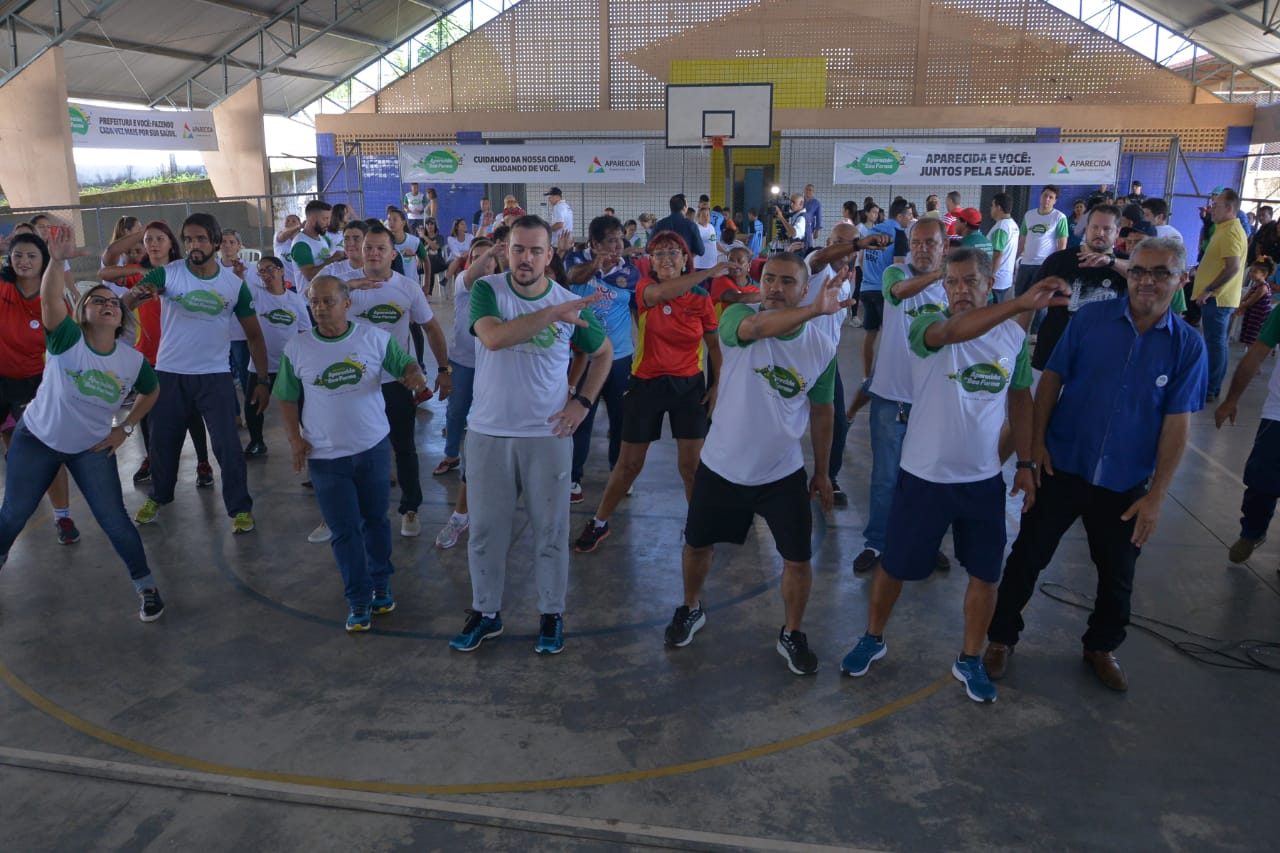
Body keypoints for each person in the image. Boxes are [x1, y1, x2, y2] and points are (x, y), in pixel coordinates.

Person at [984, 238, 1207, 691]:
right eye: (1140, 270)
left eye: (1160, 272)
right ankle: (1001, 639)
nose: (1147, 281)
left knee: (1117, 575)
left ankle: (1100, 647)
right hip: (1062, 465)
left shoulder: (1188, 347)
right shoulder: (1090, 321)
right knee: (1027, 557)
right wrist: (1037, 446)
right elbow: (1051, 381)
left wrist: (1156, 497)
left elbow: (1175, 426)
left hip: (1125, 483)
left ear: (1181, 280)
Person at [842, 248, 1062, 704]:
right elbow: (952, 331)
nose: (961, 290)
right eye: (953, 282)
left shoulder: (1013, 339)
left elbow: (1020, 399)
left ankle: (969, 657)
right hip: (923, 477)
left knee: (985, 574)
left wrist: (1023, 463)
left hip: (982, 481)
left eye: (970, 282)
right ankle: (873, 636)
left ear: (989, 284)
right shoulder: (927, 328)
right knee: (896, 567)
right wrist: (1021, 306)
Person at [665, 253, 846, 674]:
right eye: (769, 279)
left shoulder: (821, 345)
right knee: (696, 545)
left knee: (798, 558)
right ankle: (690, 606)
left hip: (781, 474)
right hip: (721, 465)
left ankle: (792, 631)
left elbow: (823, 412)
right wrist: (814, 310)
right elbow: (756, 328)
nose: (775, 288)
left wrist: (821, 471)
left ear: (805, 289)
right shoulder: (737, 317)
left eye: (787, 282)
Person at [449, 215, 613, 655]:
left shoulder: (567, 303)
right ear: (507, 250)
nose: (525, 258)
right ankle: (486, 613)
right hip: (488, 433)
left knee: (551, 532)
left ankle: (550, 614)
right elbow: (495, 338)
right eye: (518, 249)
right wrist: (553, 314)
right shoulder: (488, 291)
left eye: (535, 250)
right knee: (485, 532)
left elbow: (603, 354)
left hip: (547, 437)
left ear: (549, 255)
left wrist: (581, 402)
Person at [0, 226, 164, 622]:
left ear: (120, 313)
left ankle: (146, 587)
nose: (107, 303)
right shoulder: (66, 340)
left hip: (92, 447)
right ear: (83, 313)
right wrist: (56, 260)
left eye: (112, 301)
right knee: (13, 515)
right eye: (97, 300)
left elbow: (151, 391)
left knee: (114, 520)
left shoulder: (132, 362)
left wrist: (124, 428)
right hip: (37, 439)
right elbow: (50, 299)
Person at [274, 275, 426, 632]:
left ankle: (381, 583)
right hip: (326, 458)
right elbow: (286, 395)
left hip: (371, 449)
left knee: (375, 521)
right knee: (344, 530)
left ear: (346, 304)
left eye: (327, 301)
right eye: (314, 302)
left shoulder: (373, 338)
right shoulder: (298, 347)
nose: (320, 308)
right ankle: (357, 599)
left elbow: (406, 365)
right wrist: (295, 440)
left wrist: (414, 375)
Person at [573, 232, 726, 553]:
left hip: (689, 387)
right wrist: (711, 272)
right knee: (628, 465)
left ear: (686, 259)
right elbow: (661, 294)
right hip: (646, 384)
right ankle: (599, 522)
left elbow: (714, 347)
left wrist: (716, 386)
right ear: (650, 262)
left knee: (691, 467)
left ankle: (697, 524)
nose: (667, 259)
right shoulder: (645, 288)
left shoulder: (701, 298)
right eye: (659, 254)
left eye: (674, 252)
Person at [126, 213, 271, 534]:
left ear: (216, 243)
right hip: (169, 375)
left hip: (214, 376)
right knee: (163, 443)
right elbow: (126, 303)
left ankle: (240, 509)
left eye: (201, 239)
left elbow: (255, 336)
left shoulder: (234, 286)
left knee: (227, 446)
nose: (194, 245)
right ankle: (159, 497)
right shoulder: (169, 274)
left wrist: (261, 379)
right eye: (188, 239)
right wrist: (136, 296)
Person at [338, 223, 451, 538]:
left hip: (396, 381)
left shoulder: (406, 288)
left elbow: (431, 328)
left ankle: (410, 507)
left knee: (404, 448)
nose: (373, 253)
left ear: (392, 253)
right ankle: (353, 509)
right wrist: (349, 287)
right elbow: (311, 299)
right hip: (352, 382)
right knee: (353, 449)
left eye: (380, 248)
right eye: (368, 247)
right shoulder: (342, 284)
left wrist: (443, 369)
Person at [854, 217, 951, 575]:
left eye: (931, 243)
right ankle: (876, 542)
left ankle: (926, 542)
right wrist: (942, 276)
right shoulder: (896, 275)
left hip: (935, 400)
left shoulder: (953, 288)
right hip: (892, 396)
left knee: (931, 478)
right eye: (917, 242)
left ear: (945, 247)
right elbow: (898, 294)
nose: (923, 248)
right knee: (885, 476)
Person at [99, 221, 213, 487]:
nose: (152, 244)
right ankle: (152, 457)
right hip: (148, 354)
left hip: (181, 354)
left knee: (190, 411)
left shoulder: (184, 271)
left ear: (171, 243)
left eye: (159, 238)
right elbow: (105, 266)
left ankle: (203, 461)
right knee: (146, 411)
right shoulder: (139, 272)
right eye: (148, 239)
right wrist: (140, 255)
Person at [0, 232, 81, 544]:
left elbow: (70, 350)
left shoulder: (53, 301)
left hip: (34, 385)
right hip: (1, 384)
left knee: (46, 453)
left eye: (31, 256)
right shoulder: (4, 285)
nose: (23, 261)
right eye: (17, 255)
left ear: (44, 260)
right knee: (13, 446)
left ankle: (63, 517)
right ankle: (16, 509)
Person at [564, 216, 642, 503]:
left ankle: (618, 472)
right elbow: (573, 278)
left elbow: (636, 311)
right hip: (584, 357)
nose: (619, 246)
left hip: (620, 358)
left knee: (621, 420)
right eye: (612, 240)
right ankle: (573, 478)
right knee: (581, 417)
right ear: (595, 243)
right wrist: (595, 265)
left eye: (621, 240)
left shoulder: (630, 273)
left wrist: (642, 349)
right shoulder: (576, 260)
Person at [1217, 274, 1280, 563]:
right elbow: (1256, 354)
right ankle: (1252, 532)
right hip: (1278, 414)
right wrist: (1231, 400)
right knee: (1261, 482)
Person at [1031, 204, 1126, 371]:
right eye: (1095, 227)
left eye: (1107, 229)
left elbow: (1146, 276)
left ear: (1117, 232)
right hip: (1054, 350)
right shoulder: (1059, 260)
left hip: (1104, 355)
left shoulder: (1127, 263)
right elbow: (1030, 302)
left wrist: (1110, 262)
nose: (1099, 233)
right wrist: (1017, 343)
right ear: (1086, 228)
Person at [243, 256, 310, 456]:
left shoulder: (295, 300)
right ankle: (257, 442)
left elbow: (304, 332)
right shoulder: (256, 294)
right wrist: (239, 274)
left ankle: (310, 443)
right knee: (253, 406)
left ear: (281, 271)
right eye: (261, 271)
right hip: (260, 365)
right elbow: (239, 288)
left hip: (289, 366)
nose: (266, 274)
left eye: (270, 268)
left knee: (303, 408)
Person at [1193, 188, 1248, 402]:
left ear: (1229, 208)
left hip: (1218, 298)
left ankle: (1211, 386)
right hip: (1217, 297)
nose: (1211, 209)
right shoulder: (1223, 228)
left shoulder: (1231, 231)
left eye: (1215, 205)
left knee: (1215, 343)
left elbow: (1232, 267)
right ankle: (1211, 385)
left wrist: (1209, 289)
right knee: (1216, 342)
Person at [1014, 185, 1068, 330]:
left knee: (1041, 301)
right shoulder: (1029, 215)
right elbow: (1023, 238)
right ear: (1040, 196)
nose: (1047, 199)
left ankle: (1036, 332)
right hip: (1026, 263)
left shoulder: (1059, 217)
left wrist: (1055, 265)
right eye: (1045, 195)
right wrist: (1016, 258)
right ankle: (1017, 329)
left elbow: (1062, 244)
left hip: (1044, 265)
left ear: (1055, 201)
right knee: (1020, 295)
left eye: (1051, 197)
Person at [289, 200, 340, 285]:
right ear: (312, 219)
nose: (328, 223)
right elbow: (310, 275)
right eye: (325, 219)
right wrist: (332, 259)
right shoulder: (301, 244)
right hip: (308, 298)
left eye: (329, 219)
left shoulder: (322, 239)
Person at [987, 193, 1019, 303]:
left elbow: (997, 254)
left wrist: (989, 277)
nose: (991, 209)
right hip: (1005, 279)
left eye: (992, 205)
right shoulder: (1013, 225)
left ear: (998, 207)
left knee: (991, 315)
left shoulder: (1001, 227)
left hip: (996, 280)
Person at [1235, 257, 1275, 346]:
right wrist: (1238, 305)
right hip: (1252, 315)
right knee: (1249, 339)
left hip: (1259, 318)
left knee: (1253, 340)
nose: (1251, 274)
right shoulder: (1256, 285)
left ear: (1264, 274)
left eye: (1255, 271)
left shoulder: (1263, 287)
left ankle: (1251, 355)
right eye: (1251, 271)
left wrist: (1237, 309)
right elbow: (1245, 298)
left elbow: (1250, 302)